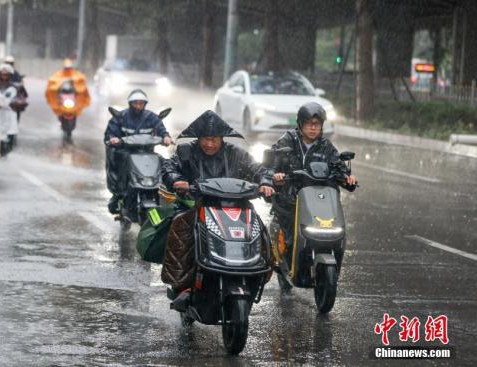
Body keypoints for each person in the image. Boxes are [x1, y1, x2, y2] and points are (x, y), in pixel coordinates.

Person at [160, 110, 275, 301]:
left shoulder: (236, 153)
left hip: (238, 207)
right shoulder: (185, 152)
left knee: (260, 231)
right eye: (206, 139)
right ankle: (181, 284)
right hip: (199, 205)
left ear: (222, 138)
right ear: (199, 138)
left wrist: (266, 182)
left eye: (214, 139)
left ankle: (259, 274)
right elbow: (169, 167)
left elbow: (259, 170)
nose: (210, 144)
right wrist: (176, 180)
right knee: (181, 226)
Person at [270, 102, 357, 250]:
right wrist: (276, 175)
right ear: (300, 124)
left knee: (335, 230)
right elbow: (271, 163)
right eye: (309, 124)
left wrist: (347, 178)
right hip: (291, 200)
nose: (313, 128)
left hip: (318, 202)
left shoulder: (326, 146)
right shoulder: (288, 140)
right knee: (289, 240)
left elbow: (338, 166)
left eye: (317, 124)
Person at [104, 89, 172, 214]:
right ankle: (119, 194)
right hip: (127, 153)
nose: (138, 106)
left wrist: (166, 137)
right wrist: (113, 139)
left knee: (166, 163)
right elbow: (110, 133)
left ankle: (164, 191)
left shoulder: (151, 117)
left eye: (141, 103)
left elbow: (161, 130)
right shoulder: (121, 117)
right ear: (131, 104)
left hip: (148, 153)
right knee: (119, 163)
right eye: (136, 103)